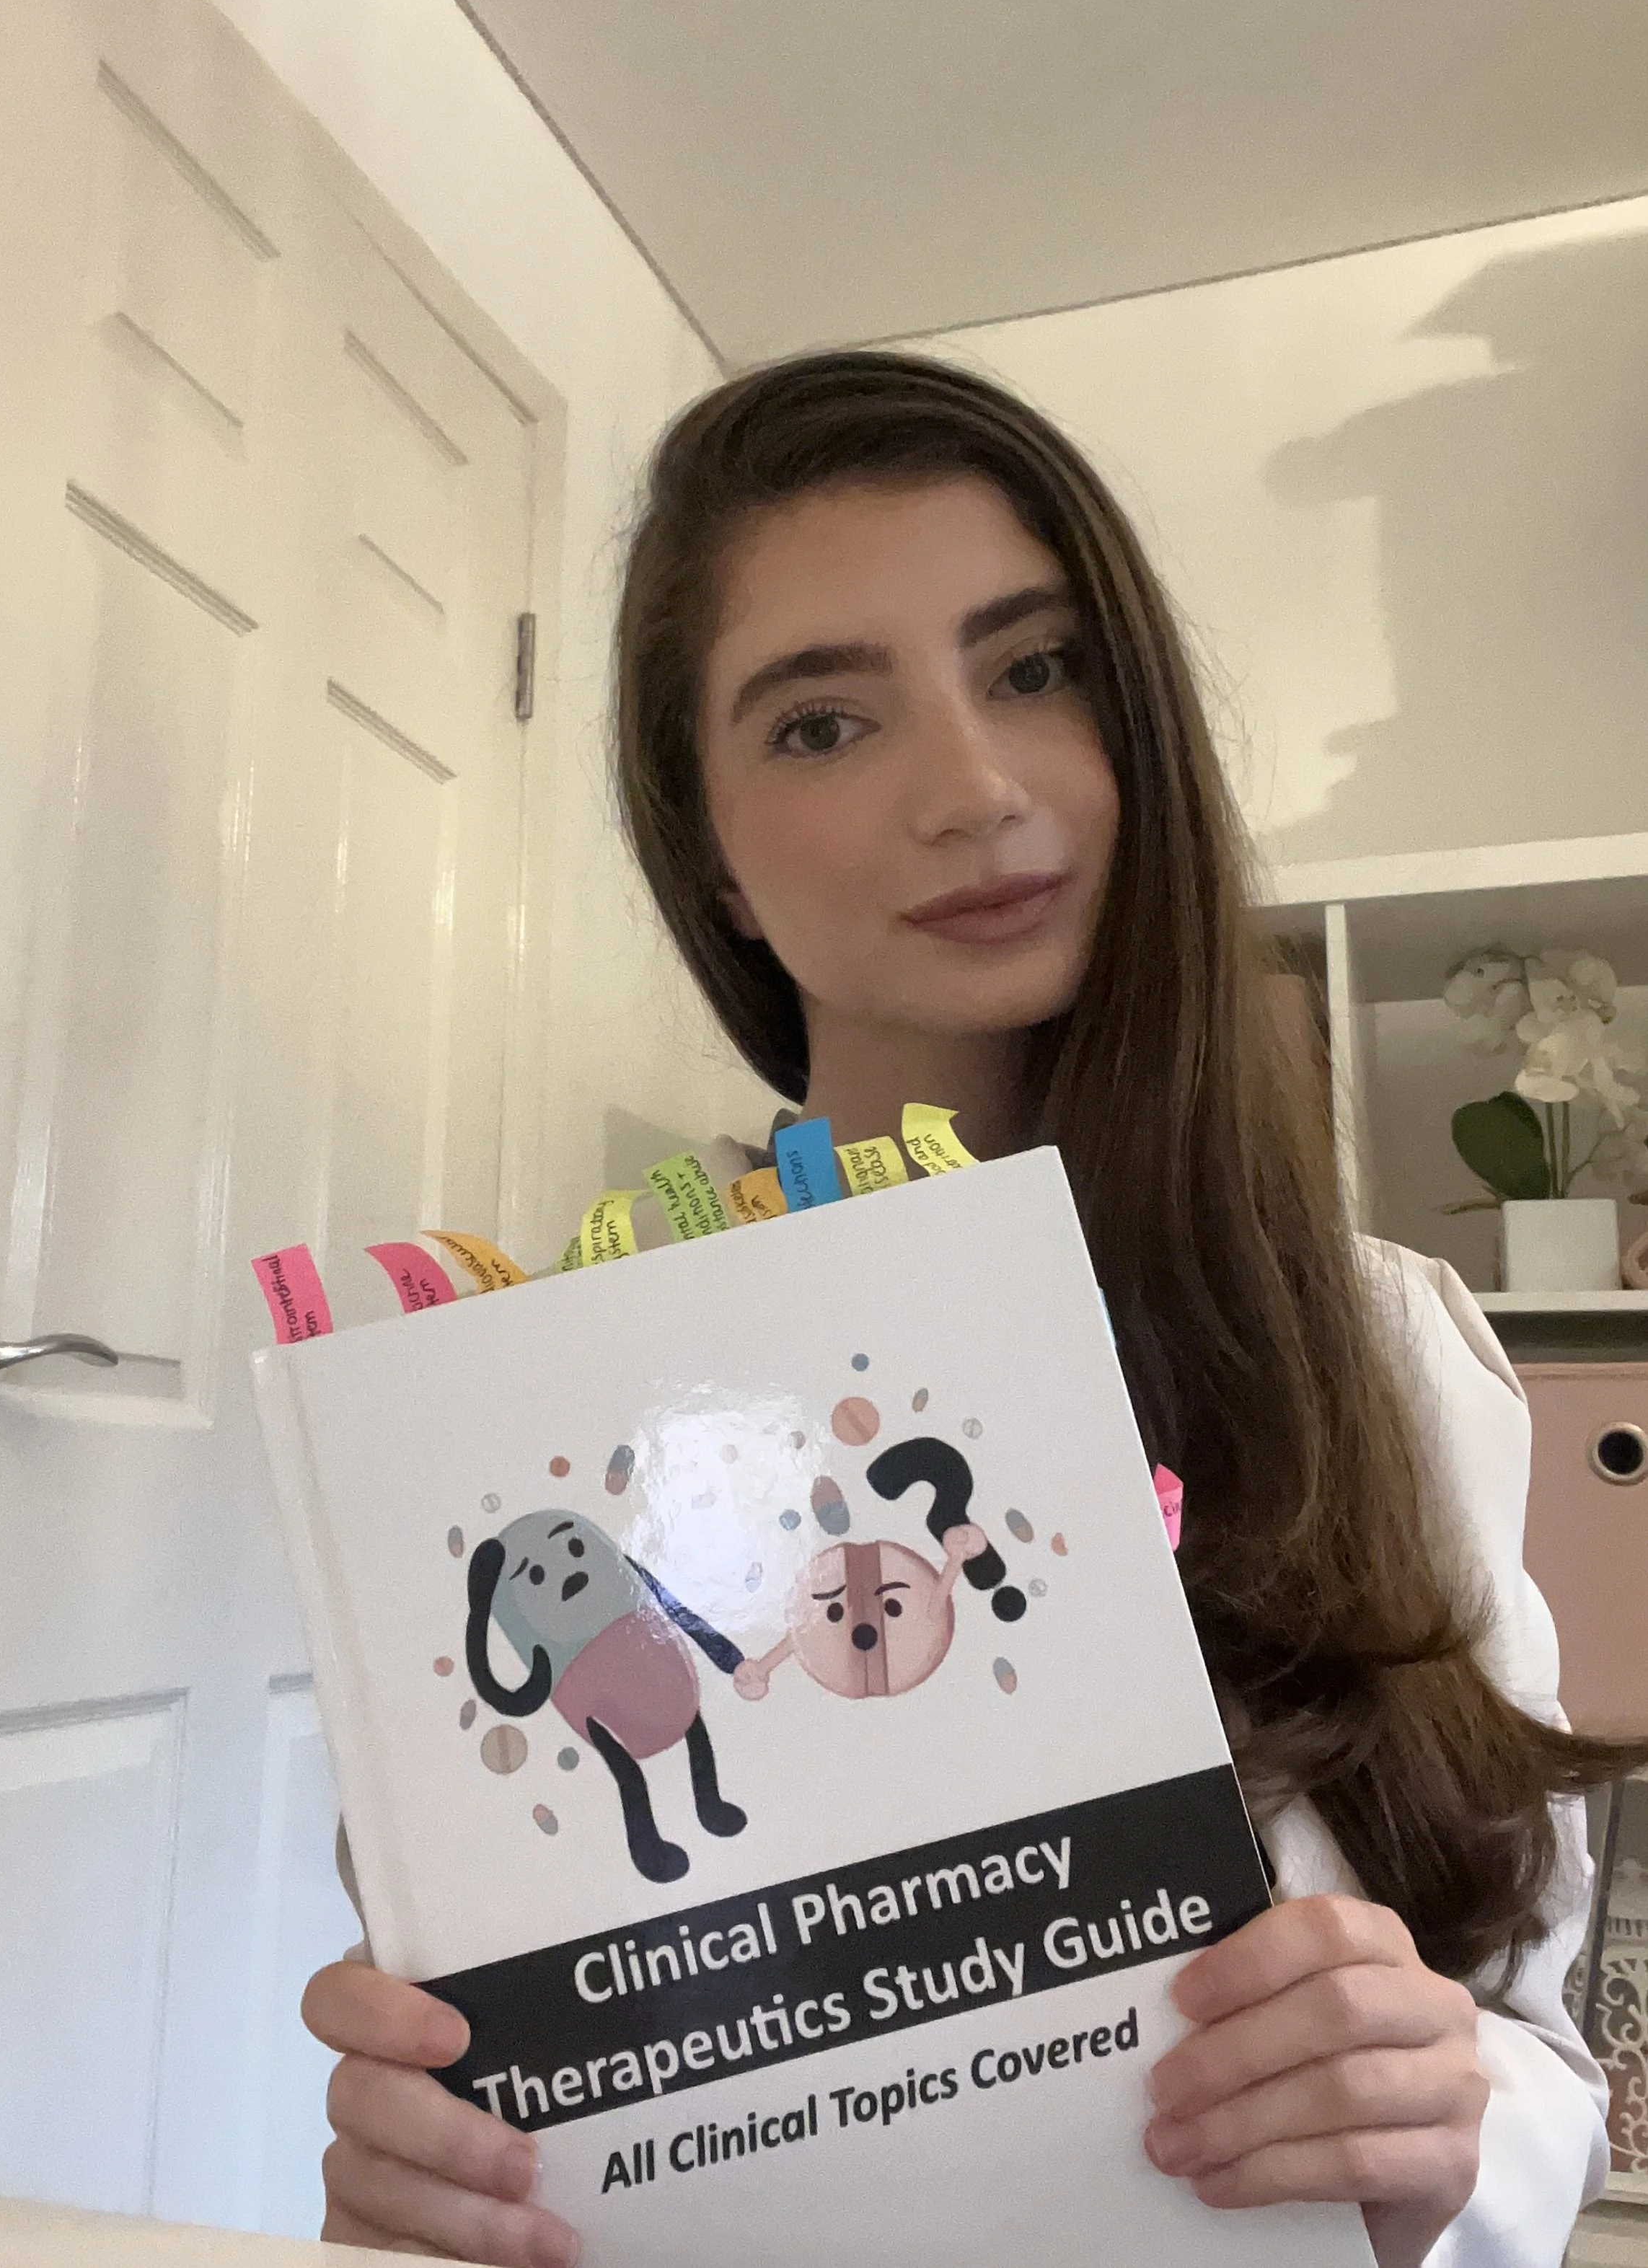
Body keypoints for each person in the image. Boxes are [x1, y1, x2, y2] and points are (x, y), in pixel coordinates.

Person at [301, 351, 1644, 2267]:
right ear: (710, 856)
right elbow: (511, 2079)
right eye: (824, 722)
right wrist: (445, 2172)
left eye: (1033, 669)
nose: (975, 790)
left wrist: (1452, 2132)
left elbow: (1527, 2039)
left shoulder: (1375, 1346)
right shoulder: (547, 1408)